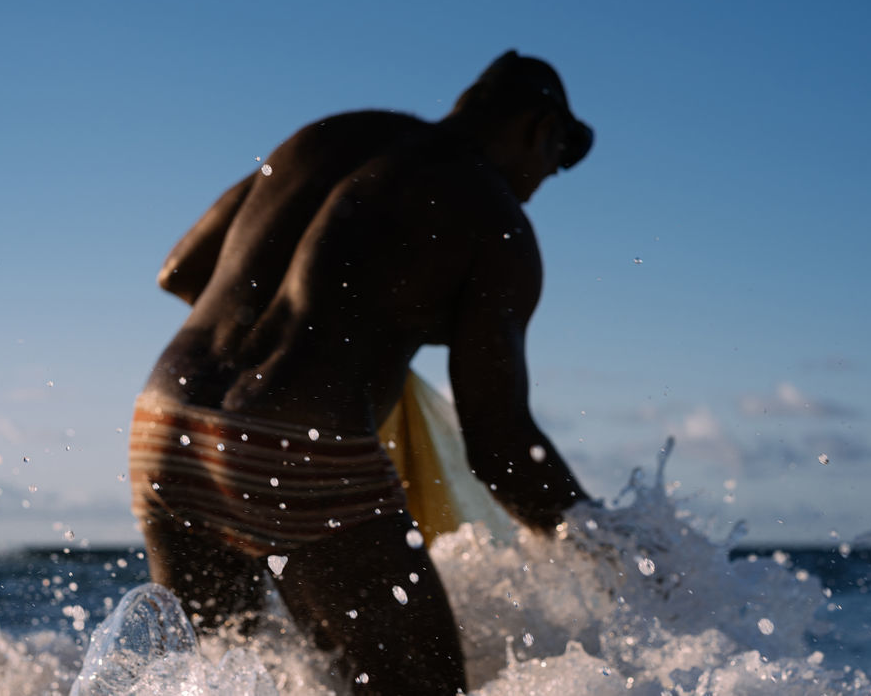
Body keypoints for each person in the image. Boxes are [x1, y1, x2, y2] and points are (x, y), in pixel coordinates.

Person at [129, 50, 594, 695]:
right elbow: (500, 445)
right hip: (300, 449)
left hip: (163, 423)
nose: (546, 179)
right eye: (560, 156)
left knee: (214, 680)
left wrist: (326, 331)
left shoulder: (333, 134)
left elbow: (180, 271)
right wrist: (605, 546)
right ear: (540, 128)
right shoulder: (495, 220)